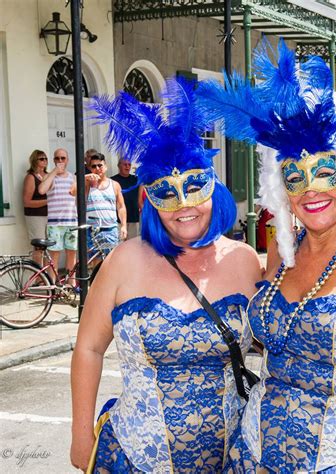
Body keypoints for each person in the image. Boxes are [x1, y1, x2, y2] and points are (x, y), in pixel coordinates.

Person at [198, 39, 336, 473]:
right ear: (280, 187)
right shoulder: (280, 256)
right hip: (250, 455)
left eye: (325, 171)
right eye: (295, 177)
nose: (311, 190)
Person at [70, 77, 262, 473]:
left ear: (214, 188)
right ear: (151, 200)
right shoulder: (123, 261)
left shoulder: (244, 261)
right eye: (166, 193)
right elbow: (88, 348)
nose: (183, 205)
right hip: (135, 458)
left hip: (234, 458)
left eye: (194, 186)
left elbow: (280, 338)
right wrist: (80, 431)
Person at [38, 148, 77, 284]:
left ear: (67, 160)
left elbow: (77, 198)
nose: (60, 161)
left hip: (71, 222)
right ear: (54, 160)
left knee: (72, 254)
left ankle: (71, 285)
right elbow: (42, 190)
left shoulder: (73, 178)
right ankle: (52, 286)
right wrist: (54, 172)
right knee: (54, 256)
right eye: (57, 158)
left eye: (63, 158)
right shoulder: (49, 177)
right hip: (55, 223)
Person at [84, 153, 127, 259]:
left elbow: (121, 206)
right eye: (93, 166)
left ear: (105, 166)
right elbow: (72, 191)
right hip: (92, 230)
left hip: (110, 229)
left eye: (100, 165)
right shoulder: (87, 184)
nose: (97, 168)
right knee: (95, 263)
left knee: (111, 261)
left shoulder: (115, 185)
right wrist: (84, 177)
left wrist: (123, 226)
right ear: (90, 168)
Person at [23, 149, 48, 264]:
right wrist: (47, 201)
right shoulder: (31, 177)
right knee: (39, 247)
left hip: (51, 216)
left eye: (46, 158)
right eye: (41, 159)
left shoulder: (49, 176)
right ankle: (38, 277)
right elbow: (27, 202)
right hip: (36, 216)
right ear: (35, 160)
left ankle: (48, 277)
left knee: (50, 247)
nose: (45, 161)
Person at [111, 157, 140, 239]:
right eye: (125, 164)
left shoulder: (136, 180)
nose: (127, 167)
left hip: (133, 218)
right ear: (119, 166)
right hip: (118, 220)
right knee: (119, 246)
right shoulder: (113, 181)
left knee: (133, 246)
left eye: (129, 165)